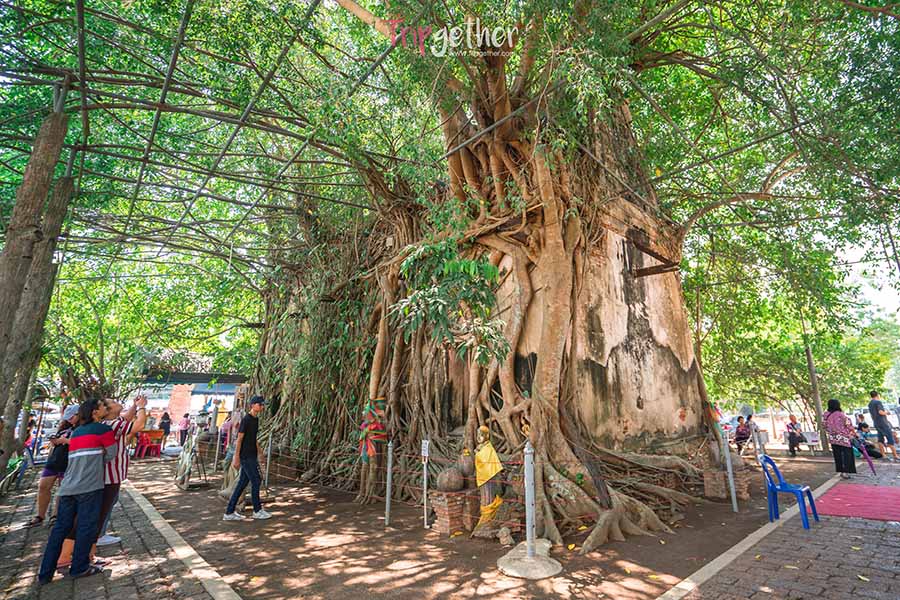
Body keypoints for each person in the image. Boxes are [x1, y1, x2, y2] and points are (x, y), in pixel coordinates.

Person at [38, 397, 117, 584]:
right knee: (86, 526)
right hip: (89, 485)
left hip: (68, 487)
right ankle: (79, 567)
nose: (105, 407)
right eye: (102, 406)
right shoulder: (104, 430)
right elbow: (111, 455)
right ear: (95, 412)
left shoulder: (77, 432)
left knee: (60, 528)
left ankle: (45, 572)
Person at [94, 395, 148, 547]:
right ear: (107, 410)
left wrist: (135, 405)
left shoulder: (114, 422)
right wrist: (142, 407)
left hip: (112, 472)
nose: (117, 402)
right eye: (112, 402)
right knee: (106, 503)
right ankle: (98, 535)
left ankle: (99, 533)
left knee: (110, 501)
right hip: (110, 473)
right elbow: (138, 425)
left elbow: (128, 417)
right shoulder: (112, 424)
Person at [26, 405, 80, 528]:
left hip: (68, 463)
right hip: (54, 461)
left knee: (61, 491)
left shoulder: (82, 428)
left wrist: (64, 441)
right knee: (43, 487)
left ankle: (55, 515)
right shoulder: (65, 427)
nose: (69, 420)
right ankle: (40, 515)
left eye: (72, 417)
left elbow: (82, 444)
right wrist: (55, 441)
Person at [223, 396, 272, 521]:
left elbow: (253, 438)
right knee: (256, 480)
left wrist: (260, 453)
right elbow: (239, 439)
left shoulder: (255, 420)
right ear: (253, 405)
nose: (262, 407)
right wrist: (236, 457)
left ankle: (229, 512)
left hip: (252, 454)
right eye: (260, 405)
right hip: (245, 455)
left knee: (242, 484)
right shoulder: (246, 420)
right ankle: (257, 510)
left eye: (263, 405)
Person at [824, 399, 857, 479]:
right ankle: (846, 472)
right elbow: (848, 424)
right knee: (847, 456)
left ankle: (841, 471)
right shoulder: (840, 414)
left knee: (838, 456)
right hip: (843, 438)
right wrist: (854, 432)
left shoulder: (825, 414)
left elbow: (824, 426)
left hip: (833, 438)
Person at [867, 390, 898, 462]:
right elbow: (880, 412)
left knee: (880, 440)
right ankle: (895, 456)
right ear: (877, 395)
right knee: (890, 439)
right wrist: (887, 412)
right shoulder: (878, 402)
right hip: (883, 423)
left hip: (876, 423)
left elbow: (872, 415)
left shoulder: (870, 404)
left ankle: (883, 455)